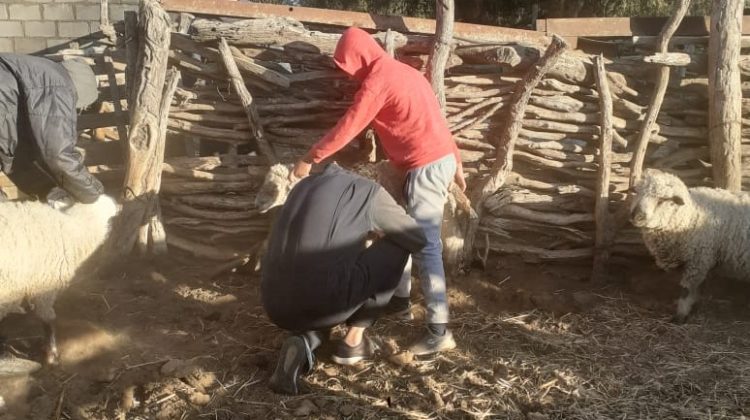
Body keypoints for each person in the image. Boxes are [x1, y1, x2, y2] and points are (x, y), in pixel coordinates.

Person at [291, 27, 465, 355]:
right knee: (401, 231)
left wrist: (309, 158)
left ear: (359, 57)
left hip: (425, 165)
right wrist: (456, 160)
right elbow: (437, 121)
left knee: (424, 243)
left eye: (348, 66)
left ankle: (439, 331)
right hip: (432, 160)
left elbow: (349, 126)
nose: (350, 75)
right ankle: (399, 302)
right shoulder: (405, 73)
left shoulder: (378, 81)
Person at [263, 163, 426, 395]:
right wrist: (379, 232)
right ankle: (353, 341)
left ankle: (304, 342)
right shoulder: (367, 189)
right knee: (398, 244)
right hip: (326, 300)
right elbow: (415, 237)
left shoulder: (302, 187)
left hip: (274, 304)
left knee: (323, 275)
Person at [0, 53, 103, 204]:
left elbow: (17, 157)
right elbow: (57, 154)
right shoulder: (59, 87)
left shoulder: (35, 77)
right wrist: (94, 197)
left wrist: (48, 190)